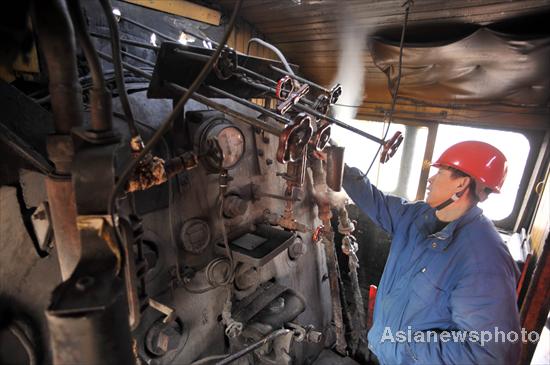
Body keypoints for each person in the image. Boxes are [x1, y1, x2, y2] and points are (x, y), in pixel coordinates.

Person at [343, 141, 521, 364]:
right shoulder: (419, 215)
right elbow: (376, 202)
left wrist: (402, 348)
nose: (431, 179)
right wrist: (341, 169)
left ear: (462, 184)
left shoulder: (484, 261)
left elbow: (488, 355)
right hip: (386, 355)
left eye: (440, 172)